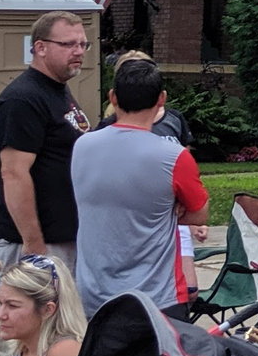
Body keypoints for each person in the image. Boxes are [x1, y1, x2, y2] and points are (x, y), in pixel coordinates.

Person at [70, 54, 209, 315]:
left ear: (112, 97)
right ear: (161, 100)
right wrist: (172, 207)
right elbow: (200, 213)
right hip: (157, 299)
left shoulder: (82, 146)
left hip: (92, 296)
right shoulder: (175, 157)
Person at [0, 11, 90, 276]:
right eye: (68, 44)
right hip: (34, 245)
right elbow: (14, 173)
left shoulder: (57, 89)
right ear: (40, 48)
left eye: (83, 44)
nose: (78, 51)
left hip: (63, 239)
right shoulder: (22, 100)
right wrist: (34, 244)